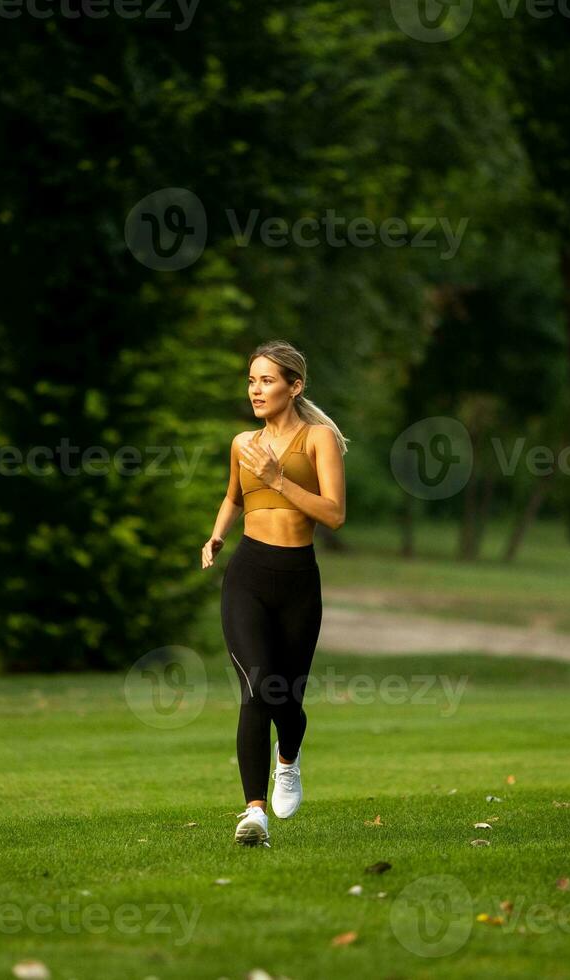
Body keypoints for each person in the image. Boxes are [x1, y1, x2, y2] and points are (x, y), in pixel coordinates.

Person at [201, 340, 349, 846]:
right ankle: (254, 812)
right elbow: (233, 496)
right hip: (247, 575)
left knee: (286, 695)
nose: (256, 390)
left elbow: (333, 515)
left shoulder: (318, 439)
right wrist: (218, 533)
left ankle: (288, 758)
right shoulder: (242, 442)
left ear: (295, 386)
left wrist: (278, 478)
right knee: (257, 687)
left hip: (298, 580)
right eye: (251, 380)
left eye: (266, 380)